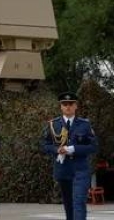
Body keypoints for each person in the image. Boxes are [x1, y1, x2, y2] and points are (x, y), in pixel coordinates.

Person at [41, 91, 98, 220]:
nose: (68, 106)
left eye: (71, 104)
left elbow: (93, 146)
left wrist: (73, 149)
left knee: (79, 202)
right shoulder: (53, 124)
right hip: (63, 170)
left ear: (76, 106)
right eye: (65, 104)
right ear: (61, 106)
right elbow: (44, 145)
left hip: (80, 169)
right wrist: (56, 149)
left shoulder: (85, 124)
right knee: (69, 205)